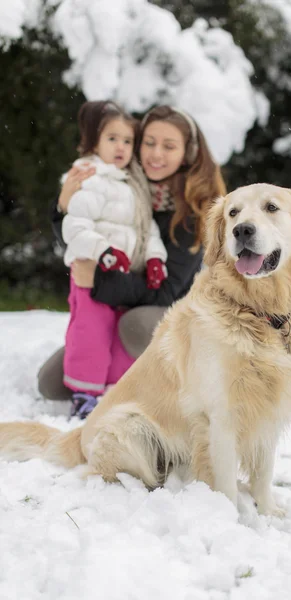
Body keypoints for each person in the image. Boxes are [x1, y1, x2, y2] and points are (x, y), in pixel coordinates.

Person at [38, 105, 227, 411]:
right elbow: (83, 235)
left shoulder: (193, 213)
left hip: (165, 316)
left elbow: (165, 293)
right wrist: (62, 209)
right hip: (116, 304)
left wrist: (99, 280)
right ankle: (107, 361)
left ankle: (168, 383)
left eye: (169, 146)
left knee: (136, 324)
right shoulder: (124, 187)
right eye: (149, 142)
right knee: (51, 383)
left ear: (187, 154)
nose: (155, 154)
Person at [59, 100, 168, 418]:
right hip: (92, 273)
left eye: (127, 141)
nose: (120, 147)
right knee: (91, 334)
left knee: (120, 338)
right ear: (95, 141)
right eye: (112, 139)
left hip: (124, 278)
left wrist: (154, 260)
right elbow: (75, 225)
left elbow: (147, 231)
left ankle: (115, 391)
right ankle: (84, 392)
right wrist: (102, 251)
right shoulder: (89, 176)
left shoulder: (133, 184)